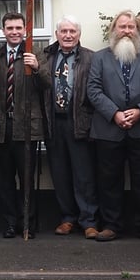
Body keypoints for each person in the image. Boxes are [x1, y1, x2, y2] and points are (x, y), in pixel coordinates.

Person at [87, 10, 140, 243]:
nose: (127, 31)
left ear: (137, 30)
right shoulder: (99, 57)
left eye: (131, 27)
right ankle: (111, 225)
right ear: (114, 31)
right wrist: (115, 114)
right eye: (122, 27)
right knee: (109, 179)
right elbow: (93, 89)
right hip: (109, 129)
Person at [37, 15, 98, 240]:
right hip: (54, 122)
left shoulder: (91, 58)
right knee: (60, 174)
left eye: (72, 31)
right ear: (57, 35)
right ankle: (67, 218)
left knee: (84, 175)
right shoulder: (46, 57)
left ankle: (89, 220)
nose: (68, 35)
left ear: (79, 34)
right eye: (64, 31)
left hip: (80, 121)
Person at [0, 12, 44, 239]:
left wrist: (38, 68)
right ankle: (10, 222)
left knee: (26, 179)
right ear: (3, 31)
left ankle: (27, 224)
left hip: (26, 128)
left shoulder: (35, 54)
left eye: (18, 28)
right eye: (9, 28)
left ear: (25, 30)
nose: (14, 32)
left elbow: (48, 87)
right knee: (4, 179)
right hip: (1, 127)